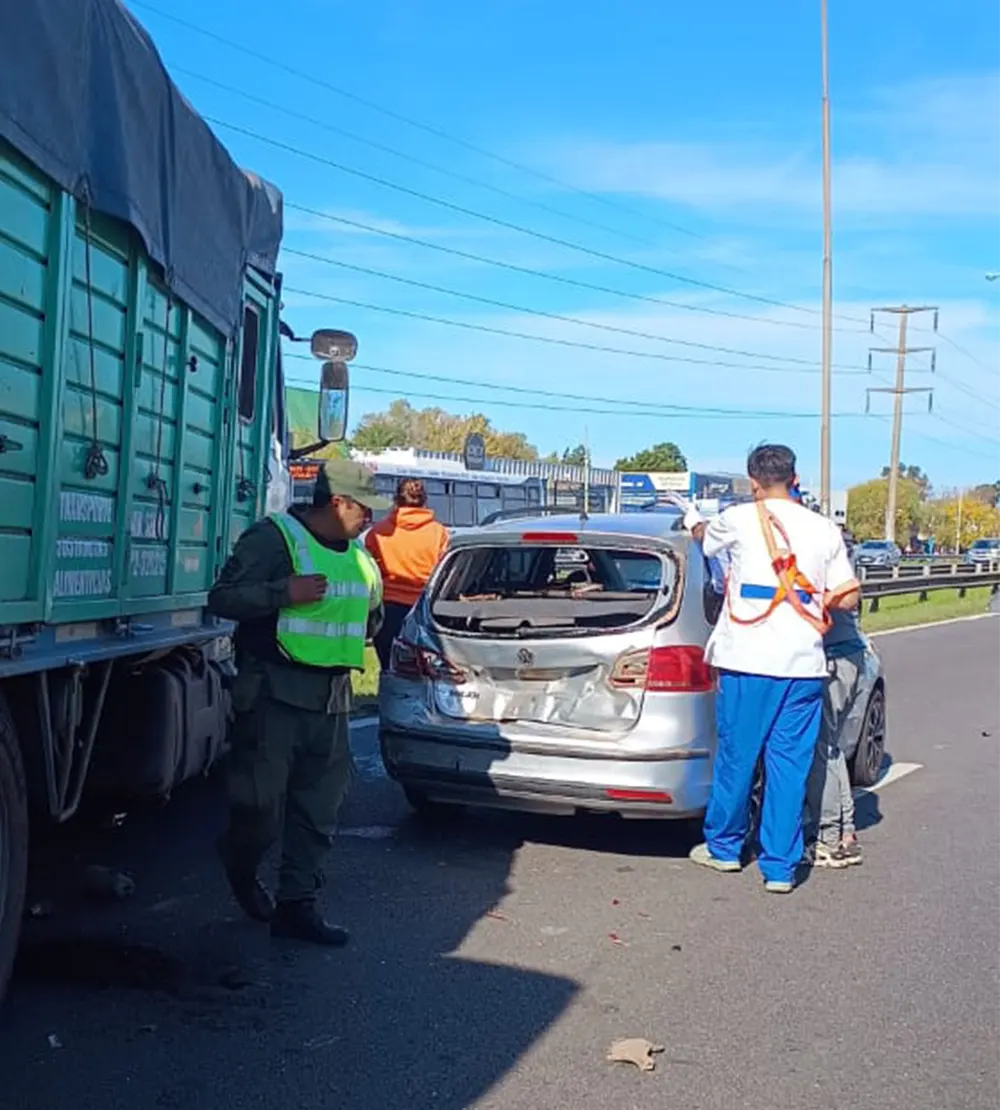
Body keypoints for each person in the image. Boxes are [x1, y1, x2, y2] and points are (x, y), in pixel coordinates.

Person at [207, 458, 390, 945]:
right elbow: (222, 598)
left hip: (332, 701)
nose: (371, 518)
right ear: (338, 502)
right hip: (273, 695)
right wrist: (281, 592)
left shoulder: (360, 556)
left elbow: (371, 618)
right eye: (364, 509)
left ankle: (296, 907)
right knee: (259, 810)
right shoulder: (275, 539)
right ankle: (240, 866)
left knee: (318, 812)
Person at [684, 444, 860, 894]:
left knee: (738, 759)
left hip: (747, 659)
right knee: (789, 766)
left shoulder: (741, 518)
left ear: (753, 482)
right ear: (795, 478)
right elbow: (849, 595)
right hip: (803, 664)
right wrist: (808, 600)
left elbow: (705, 538)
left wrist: (692, 523)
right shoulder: (825, 529)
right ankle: (779, 868)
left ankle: (724, 849)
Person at [365, 477, 449, 670]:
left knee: (389, 669)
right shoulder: (439, 533)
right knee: (424, 671)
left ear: (396, 499)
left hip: (388, 610)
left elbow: (370, 573)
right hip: (424, 610)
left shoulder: (378, 533)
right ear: (425, 500)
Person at [805, 604, 866, 868]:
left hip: (833, 657)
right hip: (851, 652)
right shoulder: (840, 564)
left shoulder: (819, 563)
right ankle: (845, 834)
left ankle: (827, 839)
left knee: (822, 748)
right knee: (831, 746)